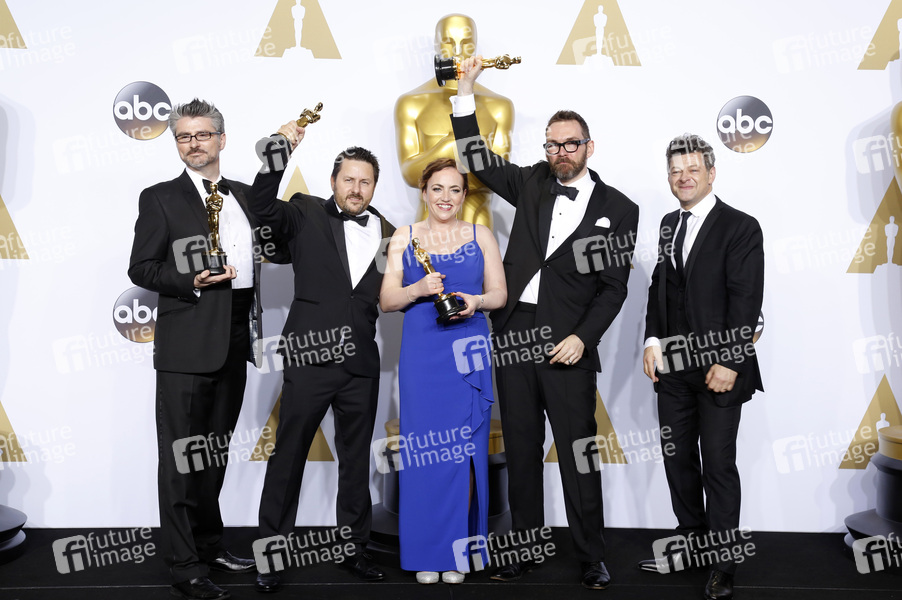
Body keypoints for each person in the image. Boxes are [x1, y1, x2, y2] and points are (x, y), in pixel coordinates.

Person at [450, 58, 639, 590]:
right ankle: (522, 549)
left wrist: (583, 338)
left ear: (589, 147)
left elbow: (614, 288)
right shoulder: (532, 181)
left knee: (579, 455)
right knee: (522, 448)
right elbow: (475, 157)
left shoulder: (620, 209)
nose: (561, 153)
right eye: (553, 145)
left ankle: (591, 555)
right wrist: (466, 88)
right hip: (514, 333)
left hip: (568, 343)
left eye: (570, 144)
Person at [129, 98, 281, 600]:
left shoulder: (243, 195)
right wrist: (189, 279)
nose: (193, 144)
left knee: (213, 455)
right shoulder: (160, 198)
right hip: (187, 343)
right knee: (180, 461)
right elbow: (141, 268)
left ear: (221, 139)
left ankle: (209, 545)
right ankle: (184, 565)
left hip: (236, 338)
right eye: (184, 137)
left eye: (202, 134)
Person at [248, 121, 395, 593]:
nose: (356, 189)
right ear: (333, 181)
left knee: (355, 464)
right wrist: (279, 151)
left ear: (375, 186)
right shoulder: (305, 211)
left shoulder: (390, 233)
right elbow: (260, 207)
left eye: (365, 181)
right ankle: (271, 556)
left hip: (361, 366)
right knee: (288, 457)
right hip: (309, 358)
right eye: (348, 179)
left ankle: (353, 550)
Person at [639, 134, 764, 600]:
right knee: (678, 461)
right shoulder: (669, 224)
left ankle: (723, 563)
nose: (683, 177)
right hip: (673, 369)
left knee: (718, 464)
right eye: (675, 171)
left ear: (712, 173)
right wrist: (652, 339)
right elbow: (659, 287)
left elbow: (746, 298)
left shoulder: (741, 226)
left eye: (692, 169)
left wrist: (730, 360)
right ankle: (691, 542)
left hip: (719, 369)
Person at [379, 158, 507, 584]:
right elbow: (387, 300)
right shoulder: (403, 237)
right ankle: (424, 553)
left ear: (464, 195)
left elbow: (499, 293)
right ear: (424, 192)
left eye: (455, 189)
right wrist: (416, 289)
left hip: (467, 349)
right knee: (424, 452)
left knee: (461, 454)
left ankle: (457, 553)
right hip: (422, 354)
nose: (446, 198)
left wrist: (477, 301)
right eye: (437, 188)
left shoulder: (481, 235)